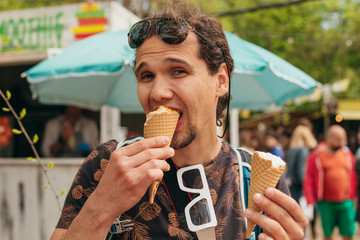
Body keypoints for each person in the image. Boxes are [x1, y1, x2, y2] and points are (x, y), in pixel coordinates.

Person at [50, 1, 308, 239]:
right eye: (147, 76)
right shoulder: (108, 164)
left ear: (221, 81)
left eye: (178, 71)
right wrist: (101, 207)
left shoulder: (255, 179)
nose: (158, 92)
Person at [304, 125, 357, 240]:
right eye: (338, 139)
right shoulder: (316, 156)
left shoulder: (347, 155)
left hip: (346, 201)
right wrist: (310, 199)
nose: (342, 142)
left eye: (344, 138)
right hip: (325, 202)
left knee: (349, 232)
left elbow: (353, 175)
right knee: (327, 234)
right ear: (329, 138)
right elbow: (309, 178)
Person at [285, 125, 317, 203]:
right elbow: (302, 171)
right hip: (299, 187)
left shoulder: (291, 149)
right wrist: (308, 187)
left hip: (291, 184)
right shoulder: (303, 150)